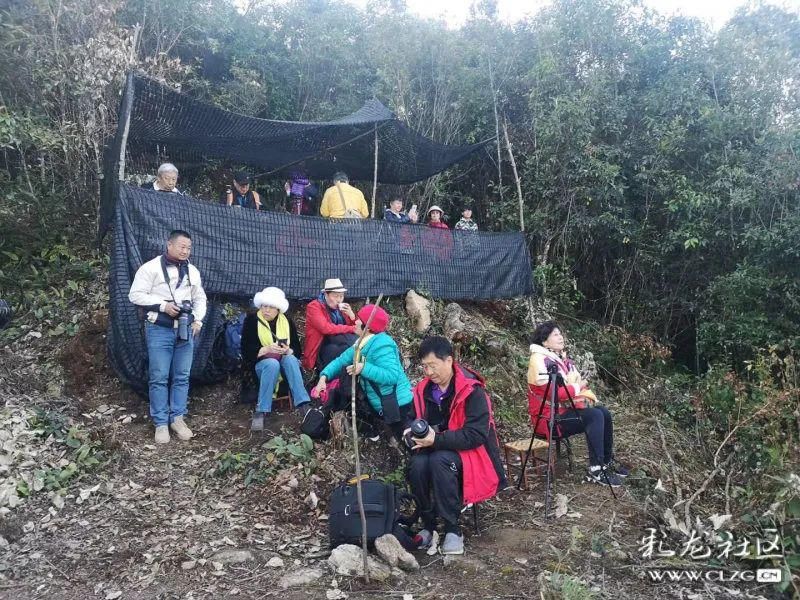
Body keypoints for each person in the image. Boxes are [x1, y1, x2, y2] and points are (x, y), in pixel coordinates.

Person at [406, 336, 507, 555]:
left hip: (469, 453)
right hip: (433, 447)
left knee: (439, 461)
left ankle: (453, 529)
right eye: (424, 366)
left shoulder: (472, 390)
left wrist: (437, 440)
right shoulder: (423, 390)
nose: (429, 372)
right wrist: (409, 432)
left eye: (433, 365)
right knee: (417, 465)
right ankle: (428, 525)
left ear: (449, 360)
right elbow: (411, 419)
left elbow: (476, 434)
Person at [129, 230, 207, 444]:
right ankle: (161, 423)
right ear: (169, 245)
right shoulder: (151, 268)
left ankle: (178, 419)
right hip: (159, 329)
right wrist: (163, 306)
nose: (185, 251)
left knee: (182, 376)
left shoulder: (193, 271)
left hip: (185, 329)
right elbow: (134, 294)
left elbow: (200, 298)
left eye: (188, 248)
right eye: (181, 246)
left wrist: (198, 320)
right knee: (159, 376)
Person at [527, 321, 628, 487]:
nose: (560, 337)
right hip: (549, 419)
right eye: (555, 334)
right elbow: (556, 395)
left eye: (560, 334)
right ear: (544, 341)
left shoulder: (563, 360)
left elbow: (577, 387)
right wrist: (578, 386)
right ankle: (596, 469)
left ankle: (606, 461)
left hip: (564, 412)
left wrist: (582, 391)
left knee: (603, 412)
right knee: (594, 416)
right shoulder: (539, 361)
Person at [313, 305, 413, 441]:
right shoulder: (361, 345)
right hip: (380, 401)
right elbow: (341, 360)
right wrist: (323, 377)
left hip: (398, 403)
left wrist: (363, 368)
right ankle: (376, 432)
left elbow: (391, 375)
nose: (356, 322)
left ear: (368, 327)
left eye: (359, 319)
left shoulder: (382, 345)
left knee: (407, 439)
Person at [240, 287, 311, 431]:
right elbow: (245, 351)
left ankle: (303, 404)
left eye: (271, 307)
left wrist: (287, 350)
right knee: (272, 364)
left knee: (290, 359)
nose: (266, 310)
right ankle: (262, 410)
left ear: (278, 309)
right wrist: (265, 349)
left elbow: (297, 350)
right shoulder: (252, 321)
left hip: (285, 363)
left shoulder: (287, 321)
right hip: (262, 365)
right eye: (264, 306)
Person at [302, 278, 358, 372]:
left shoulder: (342, 309)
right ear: (326, 294)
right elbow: (326, 328)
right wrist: (351, 328)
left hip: (341, 342)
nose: (339, 300)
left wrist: (351, 315)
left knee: (351, 346)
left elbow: (356, 328)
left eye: (341, 296)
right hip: (322, 346)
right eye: (335, 296)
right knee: (345, 348)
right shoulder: (314, 307)